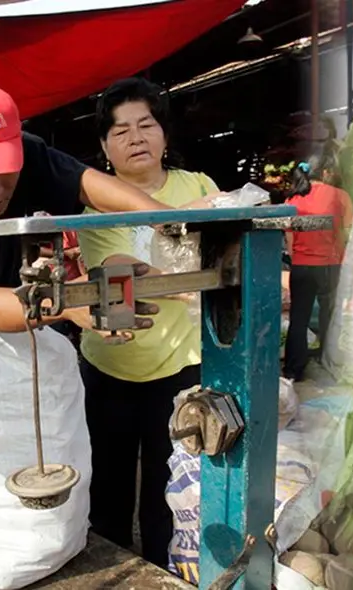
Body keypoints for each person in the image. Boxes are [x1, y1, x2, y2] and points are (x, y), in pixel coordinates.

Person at [0, 82, 212, 579]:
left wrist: (169, 222)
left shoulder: (29, 157)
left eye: (3, 171)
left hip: (11, 341)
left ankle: (17, 562)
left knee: (8, 468)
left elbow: (87, 183)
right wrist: (70, 303)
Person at [74, 77, 217, 568]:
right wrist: (194, 274)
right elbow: (121, 274)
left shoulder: (199, 186)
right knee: (108, 484)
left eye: (146, 125)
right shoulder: (96, 202)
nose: (135, 138)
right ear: (104, 147)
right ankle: (112, 568)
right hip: (110, 368)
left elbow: (226, 248)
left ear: (164, 134)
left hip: (182, 366)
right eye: (120, 131)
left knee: (172, 481)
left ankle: (162, 568)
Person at [283, 162, 353, 382]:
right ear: (325, 173)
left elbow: (289, 241)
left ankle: (294, 370)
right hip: (331, 265)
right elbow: (347, 234)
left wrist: (298, 260)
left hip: (302, 267)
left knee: (298, 319)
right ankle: (328, 360)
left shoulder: (292, 200)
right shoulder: (340, 196)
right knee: (330, 316)